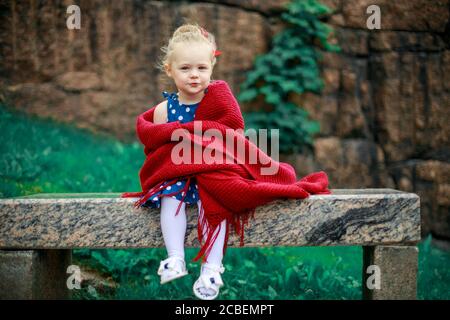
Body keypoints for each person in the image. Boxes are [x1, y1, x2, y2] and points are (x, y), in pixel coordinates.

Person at [142, 23, 226, 300]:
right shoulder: (165, 110)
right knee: (171, 197)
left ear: (211, 68)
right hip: (178, 172)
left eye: (201, 69)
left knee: (215, 203)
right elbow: (157, 149)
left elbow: (230, 134)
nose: (194, 75)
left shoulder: (216, 102)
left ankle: (212, 268)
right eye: (185, 68)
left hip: (210, 170)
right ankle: (175, 257)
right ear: (169, 70)